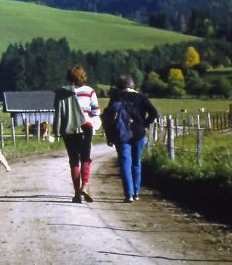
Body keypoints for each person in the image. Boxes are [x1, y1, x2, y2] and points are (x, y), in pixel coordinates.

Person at [103, 75, 158, 203]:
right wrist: (144, 124)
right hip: (138, 133)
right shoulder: (141, 97)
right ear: (133, 85)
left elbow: (109, 118)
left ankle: (129, 194)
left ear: (119, 86)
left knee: (125, 163)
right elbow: (154, 113)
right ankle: (137, 192)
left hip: (121, 135)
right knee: (136, 163)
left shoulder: (116, 98)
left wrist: (109, 136)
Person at [52, 65, 101, 203]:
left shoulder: (61, 92)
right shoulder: (90, 91)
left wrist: (56, 130)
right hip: (85, 127)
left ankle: (76, 193)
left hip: (69, 128)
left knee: (74, 161)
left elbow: (58, 113)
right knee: (85, 158)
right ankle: (85, 185)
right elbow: (96, 112)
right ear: (83, 77)